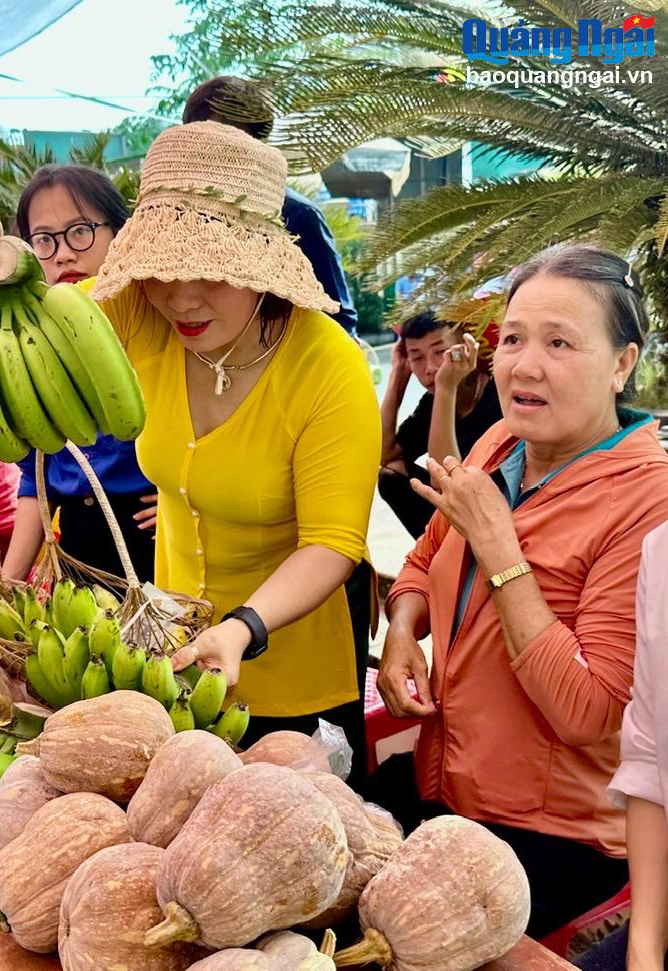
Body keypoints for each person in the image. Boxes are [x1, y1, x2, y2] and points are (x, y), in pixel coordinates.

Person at [0, 122, 380, 778]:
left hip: (291, 658)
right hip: (171, 652)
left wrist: (243, 628)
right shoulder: (139, 315)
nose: (180, 297)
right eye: (160, 271)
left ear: (261, 268)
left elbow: (332, 543)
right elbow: (37, 316)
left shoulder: (328, 367)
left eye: (210, 273)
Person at [373, 244, 668, 939]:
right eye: (512, 339)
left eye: (559, 343)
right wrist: (403, 631)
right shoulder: (499, 445)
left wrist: (499, 547)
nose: (524, 365)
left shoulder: (649, 505)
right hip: (444, 781)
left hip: (554, 836)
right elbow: (423, 559)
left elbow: (589, 711)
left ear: (622, 364)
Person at [0, 164, 158, 584]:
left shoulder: (160, 329)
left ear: (120, 232)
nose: (63, 253)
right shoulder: (31, 349)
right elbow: (37, 479)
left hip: (155, 539)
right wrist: (7, 583)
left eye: (80, 231)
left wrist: (187, 501)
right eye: (44, 240)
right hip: (78, 549)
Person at [182, 76, 358, 335]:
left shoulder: (296, 215)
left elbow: (339, 316)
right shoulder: (179, 215)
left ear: (256, 141)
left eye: (230, 136)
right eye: (200, 136)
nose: (213, 148)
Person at [584, 523, 668, 971]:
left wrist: (503, 559)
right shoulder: (660, 550)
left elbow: (580, 708)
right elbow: (650, 757)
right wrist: (645, 947)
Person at [379, 311, 503, 537]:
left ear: (466, 347)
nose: (430, 368)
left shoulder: (499, 395)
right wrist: (397, 377)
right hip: (457, 518)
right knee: (391, 474)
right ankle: (436, 553)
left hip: (499, 515)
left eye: (440, 352)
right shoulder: (432, 402)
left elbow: (446, 482)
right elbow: (383, 453)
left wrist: (446, 387)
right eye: (417, 357)